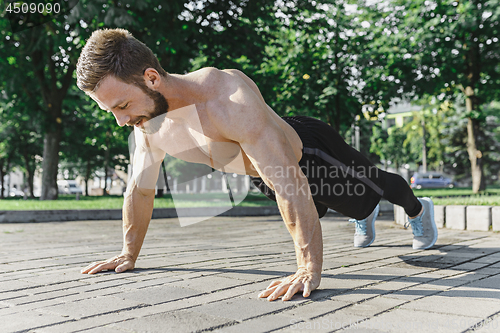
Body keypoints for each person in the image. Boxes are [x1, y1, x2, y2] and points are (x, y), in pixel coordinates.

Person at [76, 28, 437, 302]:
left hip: (309, 154)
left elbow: (289, 183)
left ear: (151, 77)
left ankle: (419, 211)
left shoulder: (225, 96)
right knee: (321, 210)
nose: (121, 121)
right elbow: (139, 188)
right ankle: (362, 215)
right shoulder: (147, 123)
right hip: (265, 173)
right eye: (112, 112)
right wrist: (128, 253)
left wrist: (307, 269)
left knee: (375, 191)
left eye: (122, 106)